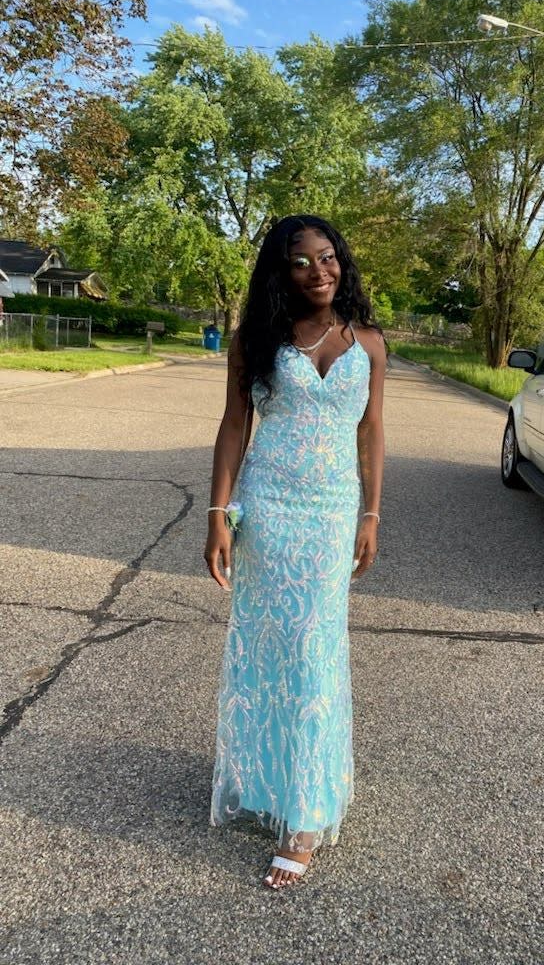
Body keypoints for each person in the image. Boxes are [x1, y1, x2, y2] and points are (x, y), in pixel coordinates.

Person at [205, 214, 385, 890]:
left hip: (333, 514)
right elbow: (231, 426)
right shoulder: (258, 341)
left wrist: (371, 513)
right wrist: (218, 513)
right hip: (269, 510)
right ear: (281, 271)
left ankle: (306, 813)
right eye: (303, 261)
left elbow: (373, 434)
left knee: (314, 646)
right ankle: (267, 782)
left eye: (330, 256)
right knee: (269, 647)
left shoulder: (368, 342)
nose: (321, 270)